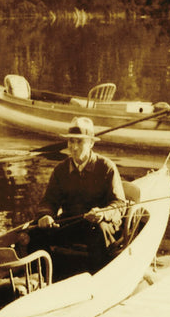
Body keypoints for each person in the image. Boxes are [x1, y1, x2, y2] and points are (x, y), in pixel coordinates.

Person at [27, 116, 126, 278]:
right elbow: (49, 201)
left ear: (91, 143)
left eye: (79, 142)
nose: (73, 147)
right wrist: (45, 215)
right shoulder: (60, 170)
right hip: (72, 223)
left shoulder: (106, 167)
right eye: (71, 141)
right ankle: (43, 278)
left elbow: (120, 204)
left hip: (100, 225)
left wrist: (102, 213)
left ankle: (99, 279)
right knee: (35, 232)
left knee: (99, 232)